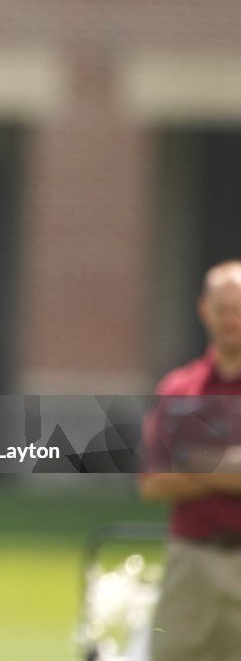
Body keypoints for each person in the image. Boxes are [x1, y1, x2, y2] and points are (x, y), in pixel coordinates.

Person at [139, 259, 241, 661]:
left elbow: (175, 468)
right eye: (223, 309)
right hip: (191, 562)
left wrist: (193, 461)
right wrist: (229, 466)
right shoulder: (179, 388)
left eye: (239, 309)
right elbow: (152, 481)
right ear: (204, 310)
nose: (231, 320)